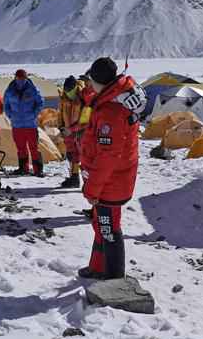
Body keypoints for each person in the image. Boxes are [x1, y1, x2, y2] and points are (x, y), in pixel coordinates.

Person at [78, 58, 146, 279]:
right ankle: (98, 267)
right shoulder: (111, 101)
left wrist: (92, 190)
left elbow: (108, 157)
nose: (89, 84)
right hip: (110, 180)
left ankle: (114, 280)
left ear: (100, 81)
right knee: (102, 226)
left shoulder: (111, 111)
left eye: (91, 80)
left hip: (110, 184)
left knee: (109, 230)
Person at [4, 69, 45, 176]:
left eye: (22, 79)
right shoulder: (10, 90)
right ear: (15, 78)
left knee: (34, 148)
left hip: (30, 124)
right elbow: (6, 105)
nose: (20, 81)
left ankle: (38, 170)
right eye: (18, 78)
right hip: (17, 125)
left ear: (26, 78)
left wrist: (34, 115)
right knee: (20, 148)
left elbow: (40, 103)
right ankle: (23, 168)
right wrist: (10, 116)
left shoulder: (33, 89)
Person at [57, 75, 92, 189]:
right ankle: (74, 178)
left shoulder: (83, 97)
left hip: (82, 133)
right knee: (72, 157)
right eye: (66, 90)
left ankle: (89, 183)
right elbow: (60, 113)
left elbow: (86, 120)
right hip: (68, 134)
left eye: (70, 90)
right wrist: (61, 127)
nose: (68, 93)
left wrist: (71, 129)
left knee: (86, 158)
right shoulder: (64, 98)